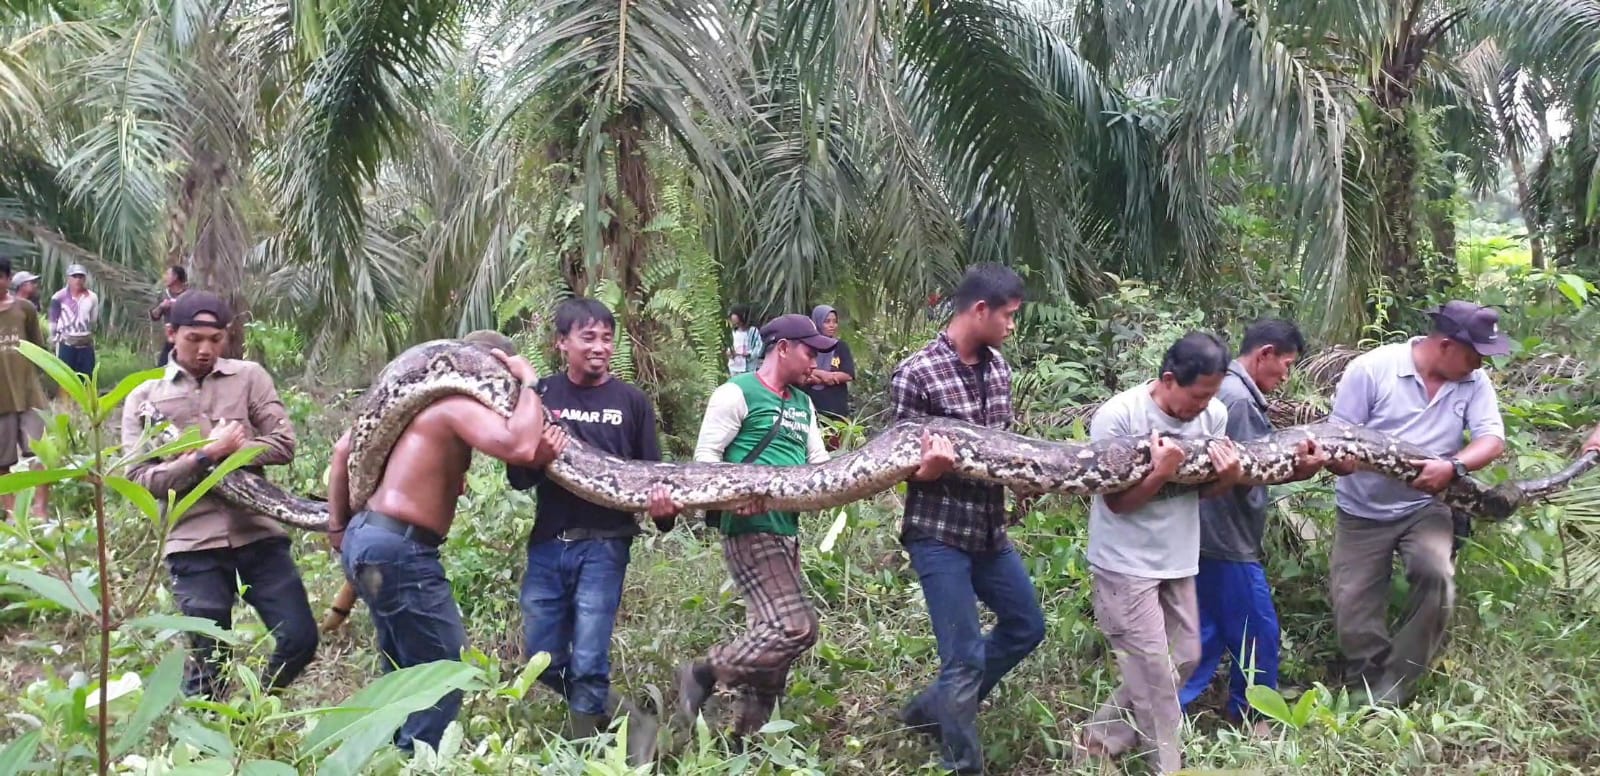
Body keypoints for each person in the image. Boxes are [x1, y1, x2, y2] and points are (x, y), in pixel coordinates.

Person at [678, 313, 929, 741]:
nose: (815, 360)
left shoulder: (802, 403)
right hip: (750, 529)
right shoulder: (735, 393)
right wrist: (732, 496)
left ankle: (747, 739)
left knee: (771, 642)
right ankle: (704, 671)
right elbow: (705, 463)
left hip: (786, 532)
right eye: (809, 351)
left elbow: (820, 469)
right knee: (796, 628)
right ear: (782, 349)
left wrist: (875, 476)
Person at [327, 329, 548, 752]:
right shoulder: (454, 405)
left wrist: (338, 529)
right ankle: (414, 757)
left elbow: (342, 451)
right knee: (445, 670)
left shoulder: (413, 411)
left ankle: (386, 753)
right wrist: (531, 383)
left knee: (401, 668)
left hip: (369, 540)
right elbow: (519, 444)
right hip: (399, 550)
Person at [121, 291, 316, 699]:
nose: (206, 349)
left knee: (300, 638)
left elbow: (283, 443)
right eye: (194, 339)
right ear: (172, 333)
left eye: (216, 339)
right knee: (208, 667)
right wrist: (207, 455)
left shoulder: (250, 377)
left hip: (258, 532)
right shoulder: (144, 397)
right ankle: (208, 750)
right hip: (192, 541)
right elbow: (139, 478)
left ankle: (251, 714)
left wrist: (234, 451)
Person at [505, 298, 676, 763]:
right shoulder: (541, 397)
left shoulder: (632, 402)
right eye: (588, 337)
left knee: (588, 660)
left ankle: (582, 757)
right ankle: (631, 718)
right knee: (541, 660)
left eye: (606, 337)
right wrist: (538, 457)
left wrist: (664, 510)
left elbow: (655, 483)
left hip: (606, 546)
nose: (600, 347)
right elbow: (517, 478)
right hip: (548, 545)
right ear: (562, 343)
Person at [891, 264, 1039, 775]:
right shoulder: (916, 373)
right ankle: (963, 764)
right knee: (964, 657)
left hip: (989, 531)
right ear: (981, 310)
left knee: (1026, 626)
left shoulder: (999, 368)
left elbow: (1006, 443)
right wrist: (926, 469)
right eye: (1010, 316)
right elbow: (902, 463)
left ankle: (930, 708)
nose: (1012, 326)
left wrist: (1023, 480)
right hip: (938, 532)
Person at [1326, 300, 1508, 705]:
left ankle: (1398, 683)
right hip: (1362, 509)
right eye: (1474, 354)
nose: (1480, 364)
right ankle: (1365, 680)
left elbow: (1492, 439)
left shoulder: (1474, 383)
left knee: (1435, 572)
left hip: (1426, 505)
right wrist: (1341, 463)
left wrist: (1454, 465)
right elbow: (1337, 439)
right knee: (1353, 605)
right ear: (1444, 344)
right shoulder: (1373, 370)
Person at [1077, 332, 1243, 774]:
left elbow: (1203, 494)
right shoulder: (1119, 415)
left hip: (1178, 557)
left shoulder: (1216, 414)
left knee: (1186, 656)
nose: (1204, 407)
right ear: (1168, 379)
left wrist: (1228, 477)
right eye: (1197, 395)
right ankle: (1166, 766)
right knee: (1153, 679)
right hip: (1124, 563)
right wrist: (1159, 472)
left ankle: (1097, 739)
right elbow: (1118, 503)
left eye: (1212, 395)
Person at [1178, 320, 1328, 733]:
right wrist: (1302, 471)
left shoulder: (1228, 391)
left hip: (1205, 533)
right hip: (1226, 536)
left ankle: (1168, 710)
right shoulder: (1239, 401)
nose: (1287, 375)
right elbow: (1250, 471)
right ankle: (1255, 714)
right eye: (1286, 364)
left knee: (1206, 631)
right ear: (1264, 354)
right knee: (1257, 629)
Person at [0, 260, 49, 519]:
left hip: (29, 395)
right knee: (2, 462)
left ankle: (41, 511)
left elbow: (39, 349)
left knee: (39, 453)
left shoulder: (25, 310)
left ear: (8, 279)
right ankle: (13, 514)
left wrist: (34, 379)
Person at [803, 304, 855, 449]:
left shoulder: (840, 346)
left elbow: (848, 374)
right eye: (827, 321)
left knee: (836, 447)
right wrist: (824, 375)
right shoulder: (809, 346)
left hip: (836, 407)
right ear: (817, 322)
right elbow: (803, 372)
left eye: (834, 321)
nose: (832, 325)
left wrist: (822, 376)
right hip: (813, 406)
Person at [48, 264, 98, 381]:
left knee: (86, 377)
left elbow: (93, 320)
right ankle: (65, 399)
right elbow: (53, 319)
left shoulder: (92, 297)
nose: (78, 280)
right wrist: (53, 337)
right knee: (65, 378)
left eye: (81, 277)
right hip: (66, 342)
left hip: (85, 342)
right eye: (75, 276)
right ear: (68, 278)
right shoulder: (58, 297)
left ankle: (84, 399)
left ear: (85, 279)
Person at [150, 265, 190, 367]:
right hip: (171, 339)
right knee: (161, 368)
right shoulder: (162, 295)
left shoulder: (190, 295)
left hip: (188, 339)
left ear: (175, 277)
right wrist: (161, 307)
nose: (165, 277)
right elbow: (154, 316)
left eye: (168, 274)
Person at [725, 305, 764, 376]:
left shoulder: (753, 331)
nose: (737, 325)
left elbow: (759, 347)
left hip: (748, 368)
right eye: (735, 324)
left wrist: (750, 354)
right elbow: (729, 345)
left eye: (739, 323)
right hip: (734, 367)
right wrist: (729, 353)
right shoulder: (732, 332)